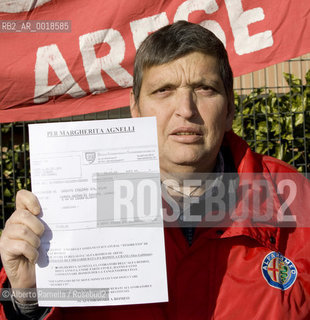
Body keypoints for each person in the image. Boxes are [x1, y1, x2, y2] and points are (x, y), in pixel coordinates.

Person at [1, 20, 310, 319]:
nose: (186, 110)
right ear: (136, 109)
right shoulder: (67, 207)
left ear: (229, 108)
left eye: (204, 89)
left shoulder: (294, 200)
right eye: (164, 90)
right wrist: (27, 302)